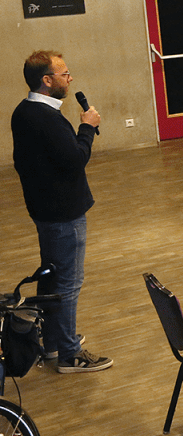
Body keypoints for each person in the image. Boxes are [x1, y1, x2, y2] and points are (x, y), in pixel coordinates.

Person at [11, 50, 112, 373]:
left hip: (45, 208)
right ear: (47, 80)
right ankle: (70, 354)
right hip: (63, 213)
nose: (69, 79)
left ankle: (54, 342)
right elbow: (73, 160)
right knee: (67, 282)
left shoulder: (24, 112)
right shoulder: (45, 117)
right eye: (64, 74)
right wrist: (87, 128)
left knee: (52, 277)